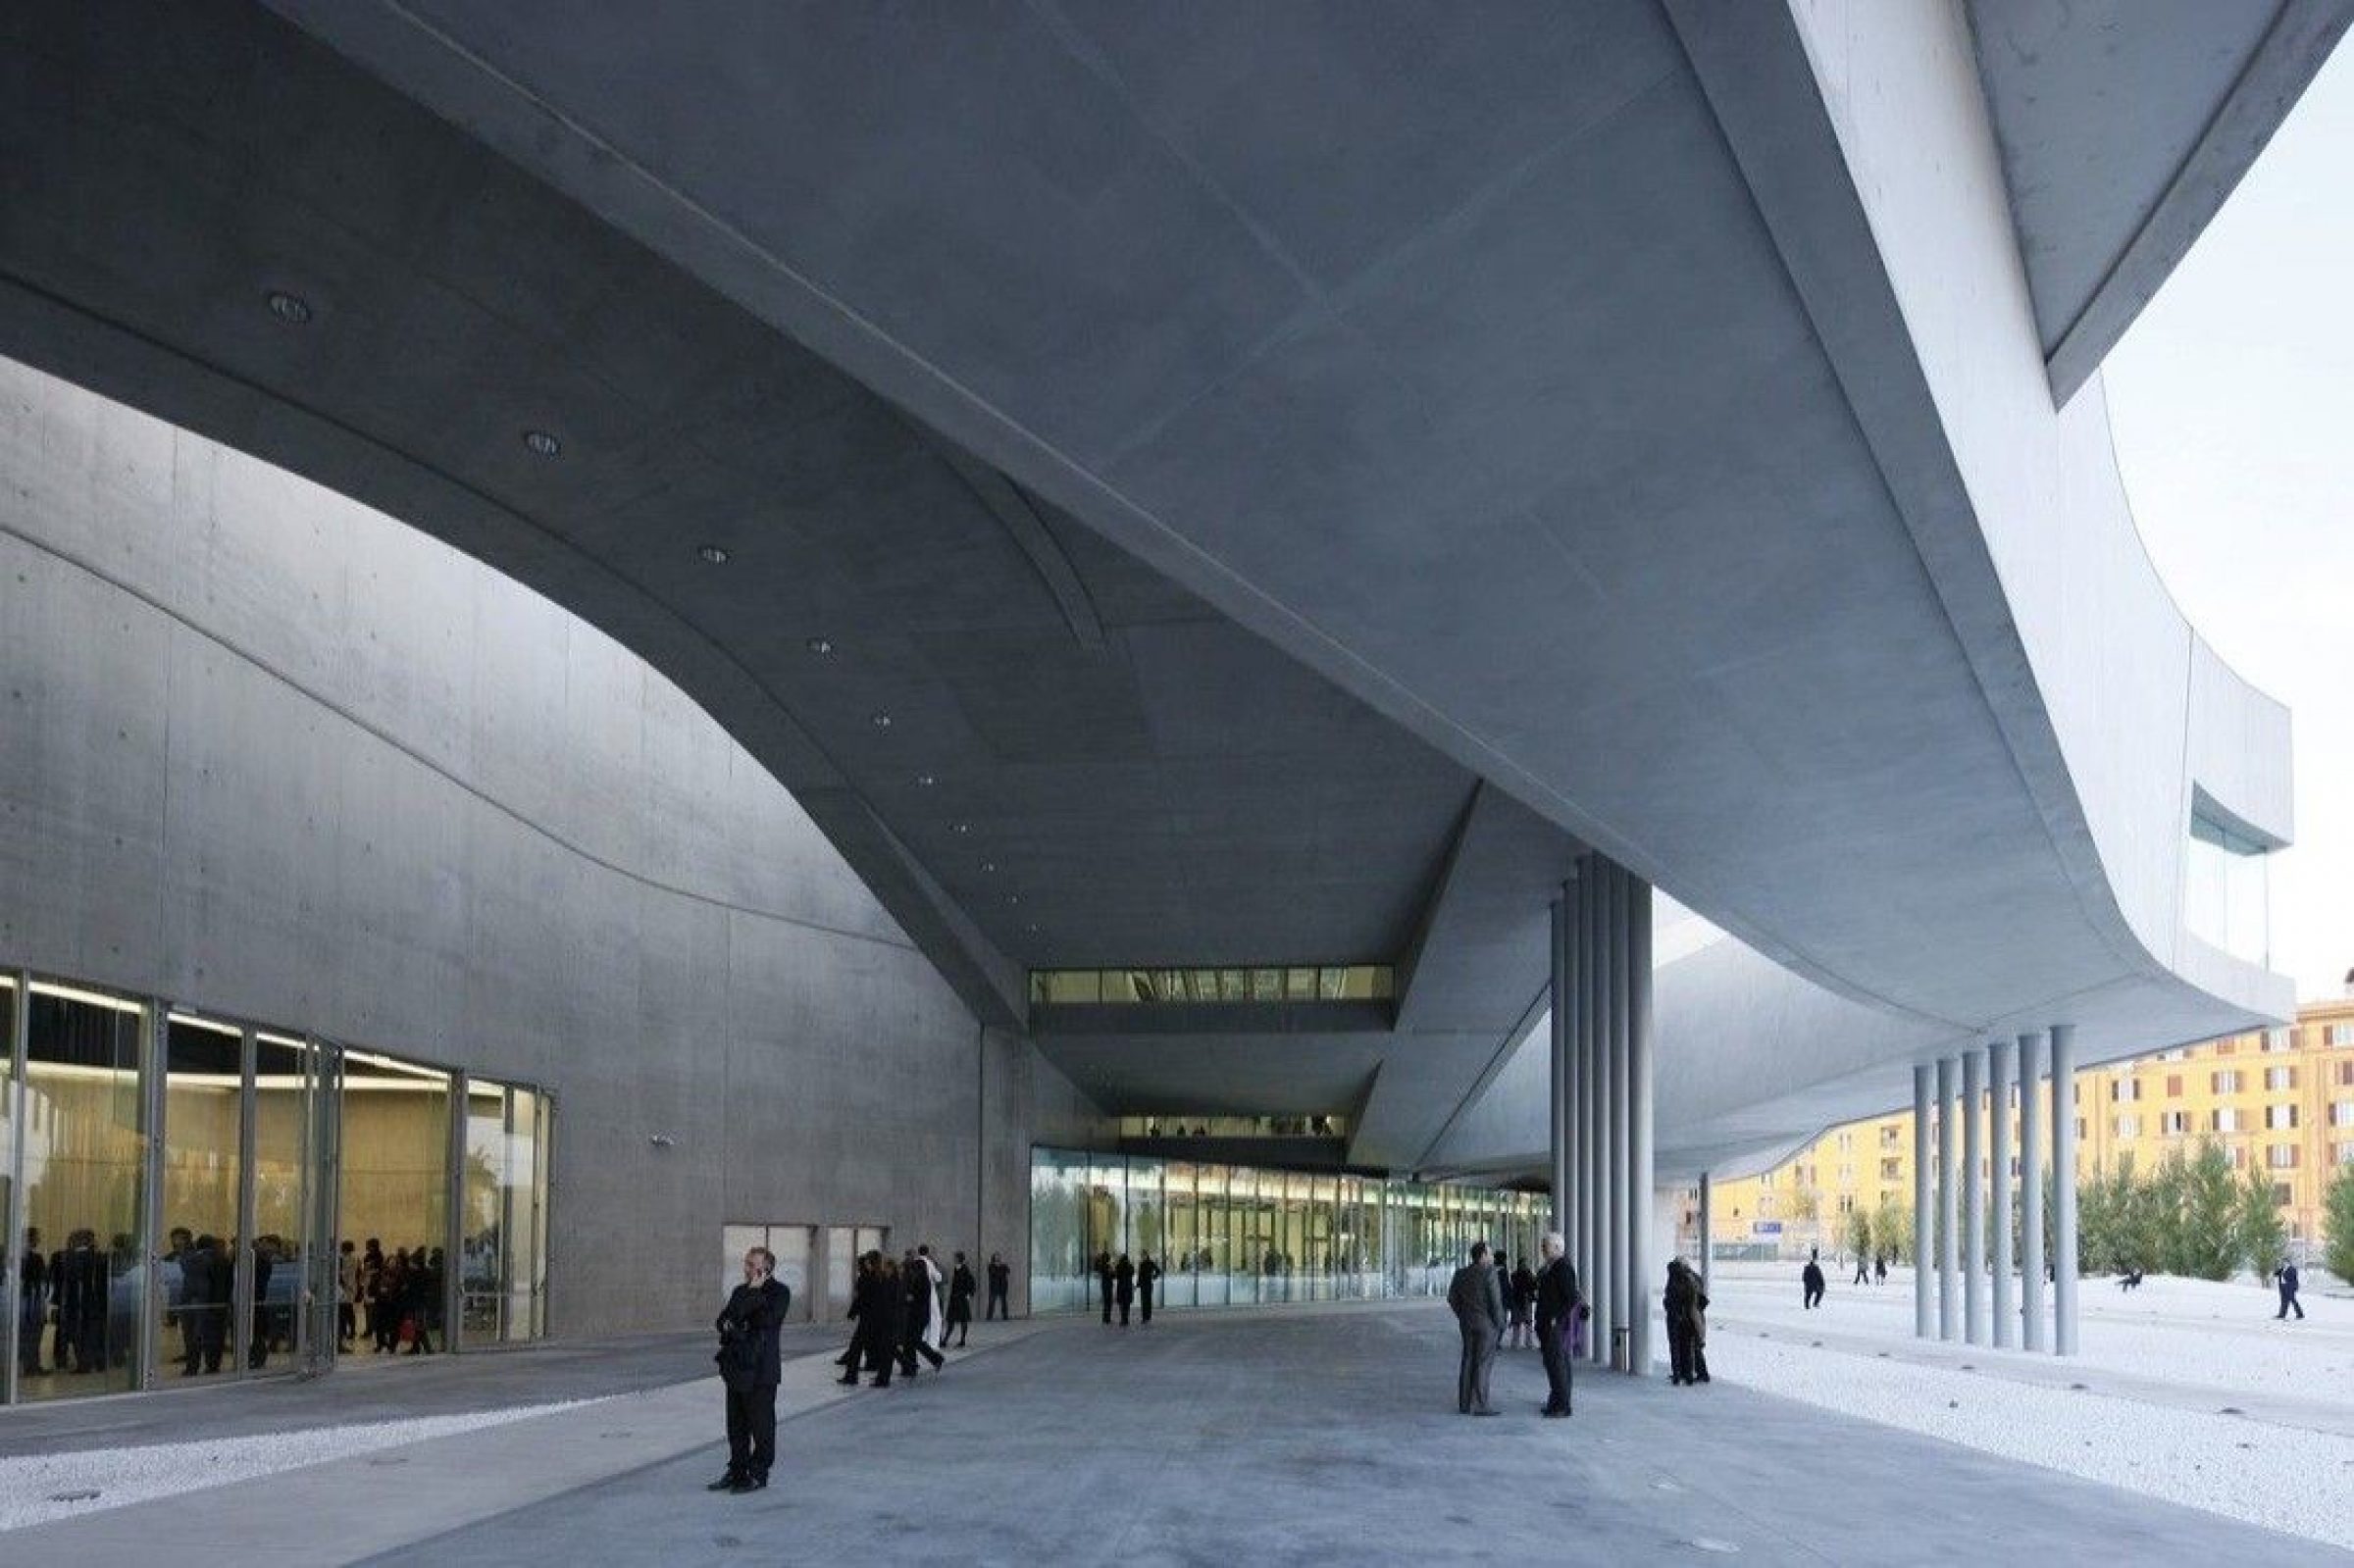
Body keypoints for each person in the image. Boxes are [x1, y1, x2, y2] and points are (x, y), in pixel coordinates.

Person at [708, 1244, 789, 1494]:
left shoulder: (779, 1292)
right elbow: (723, 1321)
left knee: (762, 1427)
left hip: (762, 1371)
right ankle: (737, 1470)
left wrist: (750, 1300)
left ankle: (758, 1473)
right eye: (747, 1263)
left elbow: (767, 1321)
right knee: (736, 1426)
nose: (747, 1268)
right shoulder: (739, 1290)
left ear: (767, 1268)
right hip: (737, 1368)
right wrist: (737, 1324)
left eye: (753, 1265)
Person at [1446, 1241, 1505, 1416]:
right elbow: (1496, 1303)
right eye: (1490, 1254)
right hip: (1486, 1325)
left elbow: (1451, 1298)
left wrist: (1462, 1315)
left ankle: (1464, 1404)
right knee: (1483, 1363)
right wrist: (1500, 1323)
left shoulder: (1461, 1274)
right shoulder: (1490, 1273)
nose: (1493, 1257)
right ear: (1482, 1256)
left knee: (1468, 1360)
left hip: (1467, 1323)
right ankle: (1480, 1405)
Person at [1532, 1232, 1578, 1419]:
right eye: (1543, 1245)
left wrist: (1556, 1318)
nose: (1543, 1249)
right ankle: (1555, 1401)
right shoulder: (1551, 1267)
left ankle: (1562, 1405)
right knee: (1552, 1364)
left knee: (1557, 1364)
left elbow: (1571, 1298)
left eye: (1546, 1246)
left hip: (1553, 1325)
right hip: (1546, 1323)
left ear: (1558, 1248)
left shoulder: (1563, 1268)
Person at [1665, 1258, 1711, 1386]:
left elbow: (1674, 1299)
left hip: (1684, 1317)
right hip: (1691, 1317)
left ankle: (1686, 1374)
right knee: (1691, 1346)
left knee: (1682, 1347)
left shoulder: (1678, 1279)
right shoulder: (1693, 1277)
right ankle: (1691, 1374)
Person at [899, 1248, 945, 1374]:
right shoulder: (922, 1280)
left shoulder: (922, 1281)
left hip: (918, 1315)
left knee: (914, 1341)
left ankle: (933, 1359)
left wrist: (910, 1298)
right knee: (911, 1341)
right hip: (919, 1314)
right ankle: (910, 1366)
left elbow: (917, 1297)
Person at [17, 1227, 47, 1376]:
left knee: (24, 1333)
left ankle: (28, 1364)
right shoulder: (36, 1259)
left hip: (22, 1301)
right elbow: (41, 1281)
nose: (39, 1240)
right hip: (32, 1301)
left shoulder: (16, 1257)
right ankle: (31, 1365)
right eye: (37, 1237)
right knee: (33, 1333)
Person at [946, 1252, 977, 1346]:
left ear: (959, 1259)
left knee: (963, 1319)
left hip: (961, 1298)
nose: (953, 1259)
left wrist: (969, 1294)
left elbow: (971, 1282)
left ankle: (962, 1340)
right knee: (951, 1320)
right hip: (954, 1298)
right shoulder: (956, 1268)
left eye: (955, 1257)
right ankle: (945, 1339)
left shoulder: (964, 1270)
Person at [1508, 1255, 1537, 1349]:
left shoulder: (1514, 1275)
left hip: (1517, 1300)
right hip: (1526, 1300)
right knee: (1527, 1323)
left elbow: (1512, 1286)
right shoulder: (1529, 1274)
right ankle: (1528, 1343)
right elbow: (1534, 1285)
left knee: (1517, 1323)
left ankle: (1515, 1343)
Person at [336, 1239, 360, 1349]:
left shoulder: (349, 1259)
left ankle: (349, 1330)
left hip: (347, 1287)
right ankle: (349, 1330)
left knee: (346, 1310)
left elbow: (345, 1273)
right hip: (349, 1287)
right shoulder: (352, 1259)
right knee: (348, 1310)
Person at [986, 1252, 1010, 1321]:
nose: (998, 1258)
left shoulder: (1003, 1266)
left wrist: (1004, 1265)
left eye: (999, 1256)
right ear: (993, 1258)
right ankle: (989, 1316)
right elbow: (992, 1273)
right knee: (991, 1301)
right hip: (994, 1287)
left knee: (1003, 1302)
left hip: (1002, 1286)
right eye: (996, 1257)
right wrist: (994, 1266)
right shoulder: (991, 1266)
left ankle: (1005, 1316)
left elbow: (1008, 1271)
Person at [1137, 1252, 1160, 1325]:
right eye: (1142, 1256)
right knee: (1147, 1300)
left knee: (1145, 1301)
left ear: (1146, 1256)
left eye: (1143, 1256)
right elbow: (1158, 1271)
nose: (1142, 1257)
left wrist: (1138, 1284)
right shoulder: (1150, 1263)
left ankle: (1145, 1317)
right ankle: (1147, 1316)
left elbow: (1140, 1275)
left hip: (1145, 1284)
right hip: (1148, 1284)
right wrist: (1154, 1277)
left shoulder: (1144, 1264)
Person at [1113, 1252, 1136, 1327]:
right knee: (1127, 1304)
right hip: (1128, 1287)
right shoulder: (1130, 1266)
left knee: (1121, 1304)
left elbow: (1116, 1275)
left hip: (1121, 1287)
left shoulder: (1118, 1266)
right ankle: (1126, 1319)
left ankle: (1123, 1319)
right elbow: (1132, 1274)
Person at [1096, 1251, 1115, 1325]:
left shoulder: (1102, 1265)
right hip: (1108, 1285)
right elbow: (1113, 1275)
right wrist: (1112, 1270)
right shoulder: (1107, 1266)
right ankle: (1107, 1319)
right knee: (1108, 1302)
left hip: (1104, 1285)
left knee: (1106, 1302)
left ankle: (1105, 1318)